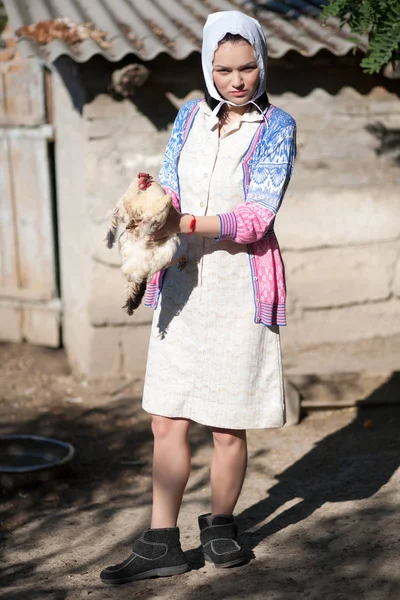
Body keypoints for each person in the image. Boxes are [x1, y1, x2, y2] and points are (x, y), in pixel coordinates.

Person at [100, 10, 296, 585]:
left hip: (239, 284)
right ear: (208, 69)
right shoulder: (188, 116)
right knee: (167, 418)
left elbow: (257, 217)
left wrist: (183, 218)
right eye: (225, 69)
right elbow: (171, 186)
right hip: (182, 282)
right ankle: (162, 541)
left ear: (261, 63)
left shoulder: (276, 126)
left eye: (248, 67)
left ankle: (221, 524)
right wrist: (151, 197)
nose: (237, 80)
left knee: (228, 423)